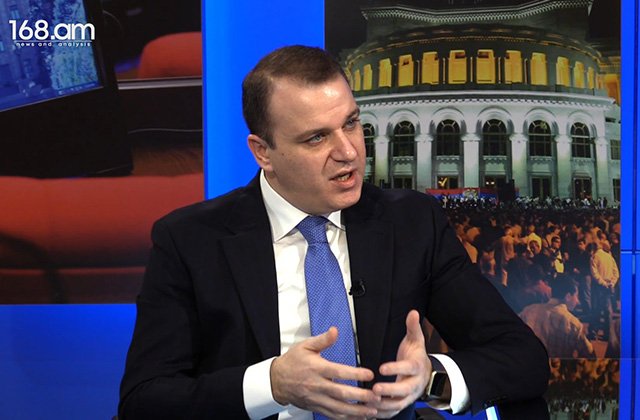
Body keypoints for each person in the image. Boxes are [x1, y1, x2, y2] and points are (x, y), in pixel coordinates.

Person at [118, 45, 549, 420]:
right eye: (316, 138)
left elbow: (523, 357)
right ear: (263, 152)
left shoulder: (412, 223)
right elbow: (145, 400)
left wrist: (430, 379)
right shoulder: (189, 241)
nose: (348, 151)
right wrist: (272, 384)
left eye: (351, 123)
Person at [519, 275, 595, 359]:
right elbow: (589, 354)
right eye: (576, 296)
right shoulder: (573, 323)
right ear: (568, 296)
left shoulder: (528, 311)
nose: (577, 301)